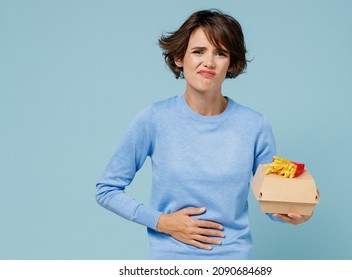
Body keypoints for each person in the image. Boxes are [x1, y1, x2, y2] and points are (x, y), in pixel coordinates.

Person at [96, 9, 312, 260]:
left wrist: (293, 211)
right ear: (179, 58)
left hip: (234, 262)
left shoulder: (254, 125)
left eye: (220, 53)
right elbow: (107, 190)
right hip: (170, 262)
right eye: (198, 51)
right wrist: (161, 222)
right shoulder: (154, 119)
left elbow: (270, 200)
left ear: (231, 63)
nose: (208, 62)